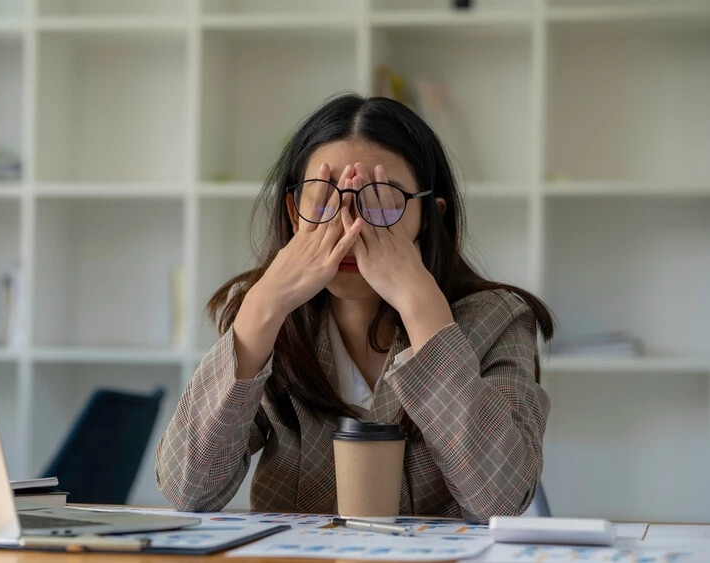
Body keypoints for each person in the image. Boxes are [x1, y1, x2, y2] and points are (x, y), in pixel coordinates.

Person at [156, 93, 553, 522]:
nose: (349, 225)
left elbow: (501, 500)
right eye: (324, 197)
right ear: (294, 213)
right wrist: (262, 308)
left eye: (381, 199)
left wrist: (424, 311)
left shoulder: (499, 318)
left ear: (430, 217)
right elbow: (187, 490)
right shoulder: (265, 315)